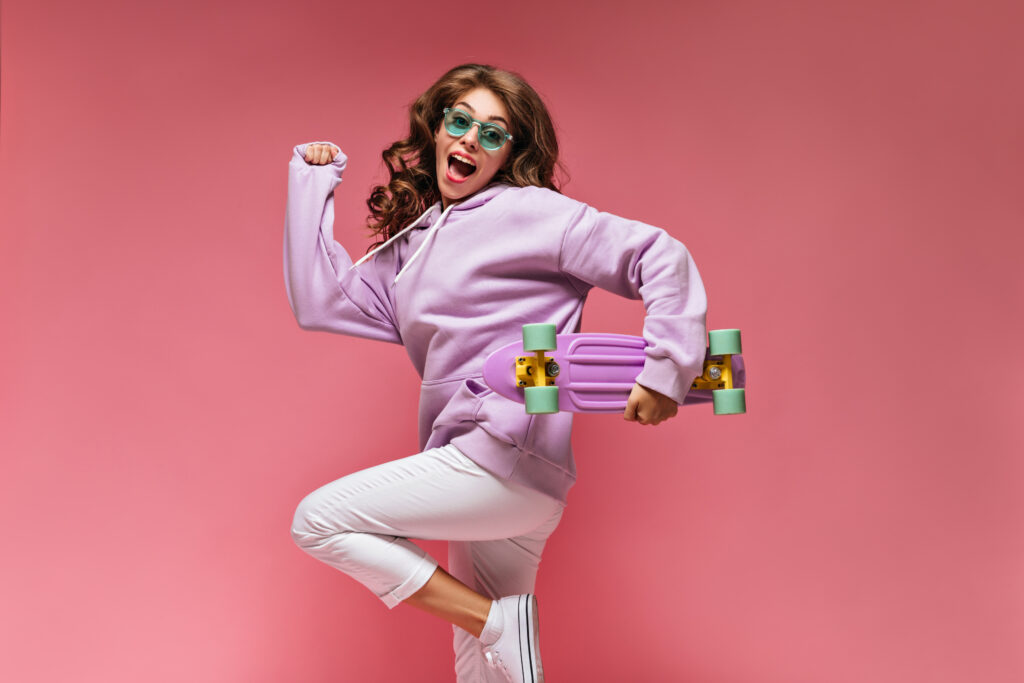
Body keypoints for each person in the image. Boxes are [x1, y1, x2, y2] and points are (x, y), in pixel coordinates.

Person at [284, 63, 708, 683]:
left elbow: (657, 255)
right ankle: (495, 627)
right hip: (483, 477)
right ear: (437, 129)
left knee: (318, 520)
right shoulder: (414, 243)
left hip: (502, 456)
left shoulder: (532, 213)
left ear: (510, 152)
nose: (469, 141)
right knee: (484, 675)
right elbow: (321, 301)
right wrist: (312, 182)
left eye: (492, 133)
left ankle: (493, 620)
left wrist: (667, 370)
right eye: (460, 122)